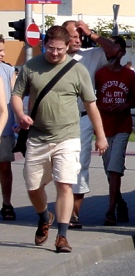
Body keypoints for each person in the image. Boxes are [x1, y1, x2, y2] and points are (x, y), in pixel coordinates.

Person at [11, 25, 108, 253]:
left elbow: (91, 105)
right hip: (37, 137)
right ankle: (45, 216)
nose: (54, 53)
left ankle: (62, 236)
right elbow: (17, 95)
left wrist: (100, 136)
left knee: (64, 184)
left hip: (68, 137)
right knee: (33, 186)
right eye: (50, 48)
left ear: (68, 47)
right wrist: (21, 115)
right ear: (45, 44)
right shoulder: (30, 67)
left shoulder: (77, 70)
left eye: (59, 49)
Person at [63, 19, 120, 229]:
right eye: (73, 35)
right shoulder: (52, 57)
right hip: (57, 121)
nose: (78, 39)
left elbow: (114, 50)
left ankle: (73, 215)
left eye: (80, 35)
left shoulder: (90, 55)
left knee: (80, 165)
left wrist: (92, 33)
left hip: (82, 119)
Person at [94, 36, 135, 225]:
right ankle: (120, 202)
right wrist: (100, 108)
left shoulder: (129, 75)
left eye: (116, 49)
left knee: (115, 169)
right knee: (108, 170)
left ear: (121, 52)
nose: (112, 53)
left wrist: (124, 106)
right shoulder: (100, 74)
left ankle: (110, 210)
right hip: (104, 128)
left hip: (122, 126)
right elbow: (92, 97)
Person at [0, 35, 17, 220]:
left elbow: (15, 97)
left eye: (3, 50)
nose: (3, 54)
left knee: (4, 166)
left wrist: (19, 119)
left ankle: (7, 203)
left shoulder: (7, 70)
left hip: (4, 129)